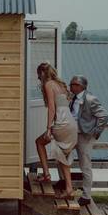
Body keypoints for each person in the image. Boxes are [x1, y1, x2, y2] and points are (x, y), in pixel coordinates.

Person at [33, 62, 78, 199]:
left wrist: (48, 128)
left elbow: (52, 108)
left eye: (38, 75)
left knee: (40, 142)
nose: (38, 79)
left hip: (61, 123)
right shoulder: (61, 85)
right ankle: (69, 188)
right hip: (71, 124)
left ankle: (47, 174)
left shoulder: (49, 85)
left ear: (42, 73)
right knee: (63, 155)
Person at [68, 75, 108, 207]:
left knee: (85, 165)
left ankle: (86, 196)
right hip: (71, 133)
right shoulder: (71, 97)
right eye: (71, 84)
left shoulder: (91, 99)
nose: (71, 86)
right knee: (61, 156)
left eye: (74, 84)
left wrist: (95, 132)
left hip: (84, 136)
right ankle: (65, 182)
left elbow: (104, 115)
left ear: (82, 86)